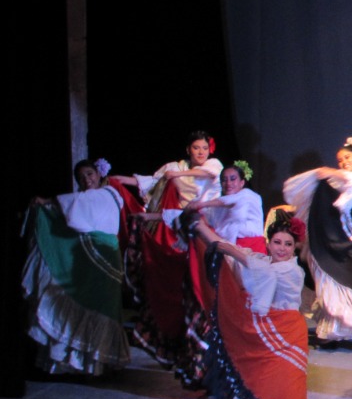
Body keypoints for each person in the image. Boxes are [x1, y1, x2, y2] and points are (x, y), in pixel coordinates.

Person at [197, 210, 310, 399]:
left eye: (288, 244)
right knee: (264, 391)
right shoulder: (260, 259)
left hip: (288, 335)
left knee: (289, 393)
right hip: (265, 331)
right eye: (277, 242)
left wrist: (233, 252)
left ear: (295, 247)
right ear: (268, 243)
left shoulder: (292, 271)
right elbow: (231, 250)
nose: (282, 249)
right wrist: (201, 228)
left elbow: (261, 271)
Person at [118, 130, 223, 385]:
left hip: (212, 226)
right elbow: (152, 182)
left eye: (204, 148)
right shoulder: (174, 167)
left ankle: (212, 358)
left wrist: (177, 176)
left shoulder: (213, 165)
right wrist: (119, 180)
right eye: (196, 148)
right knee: (186, 289)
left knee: (207, 291)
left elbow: (208, 174)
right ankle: (190, 354)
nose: (201, 152)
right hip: (184, 225)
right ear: (188, 149)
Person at [21, 158, 132, 376]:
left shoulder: (109, 194)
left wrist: (48, 200)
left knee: (104, 306)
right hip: (89, 257)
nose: (86, 179)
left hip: (106, 255)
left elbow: (76, 203)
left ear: (98, 175)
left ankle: (99, 362)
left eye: (90, 174)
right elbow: (73, 210)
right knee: (81, 304)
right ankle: (80, 364)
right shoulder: (83, 200)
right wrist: (45, 207)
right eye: (81, 177)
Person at [282, 136, 352, 344]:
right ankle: (342, 327)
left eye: (347, 157)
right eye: (340, 160)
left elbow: (348, 181)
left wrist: (327, 172)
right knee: (342, 276)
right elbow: (331, 189)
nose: (344, 162)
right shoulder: (343, 180)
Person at [185, 161, 266, 254]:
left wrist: (201, 204)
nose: (228, 183)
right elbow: (208, 219)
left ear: (242, 183)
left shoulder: (249, 195)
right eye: (224, 180)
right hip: (228, 250)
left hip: (252, 249)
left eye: (233, 179)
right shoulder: (216, 206)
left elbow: (229, 201)